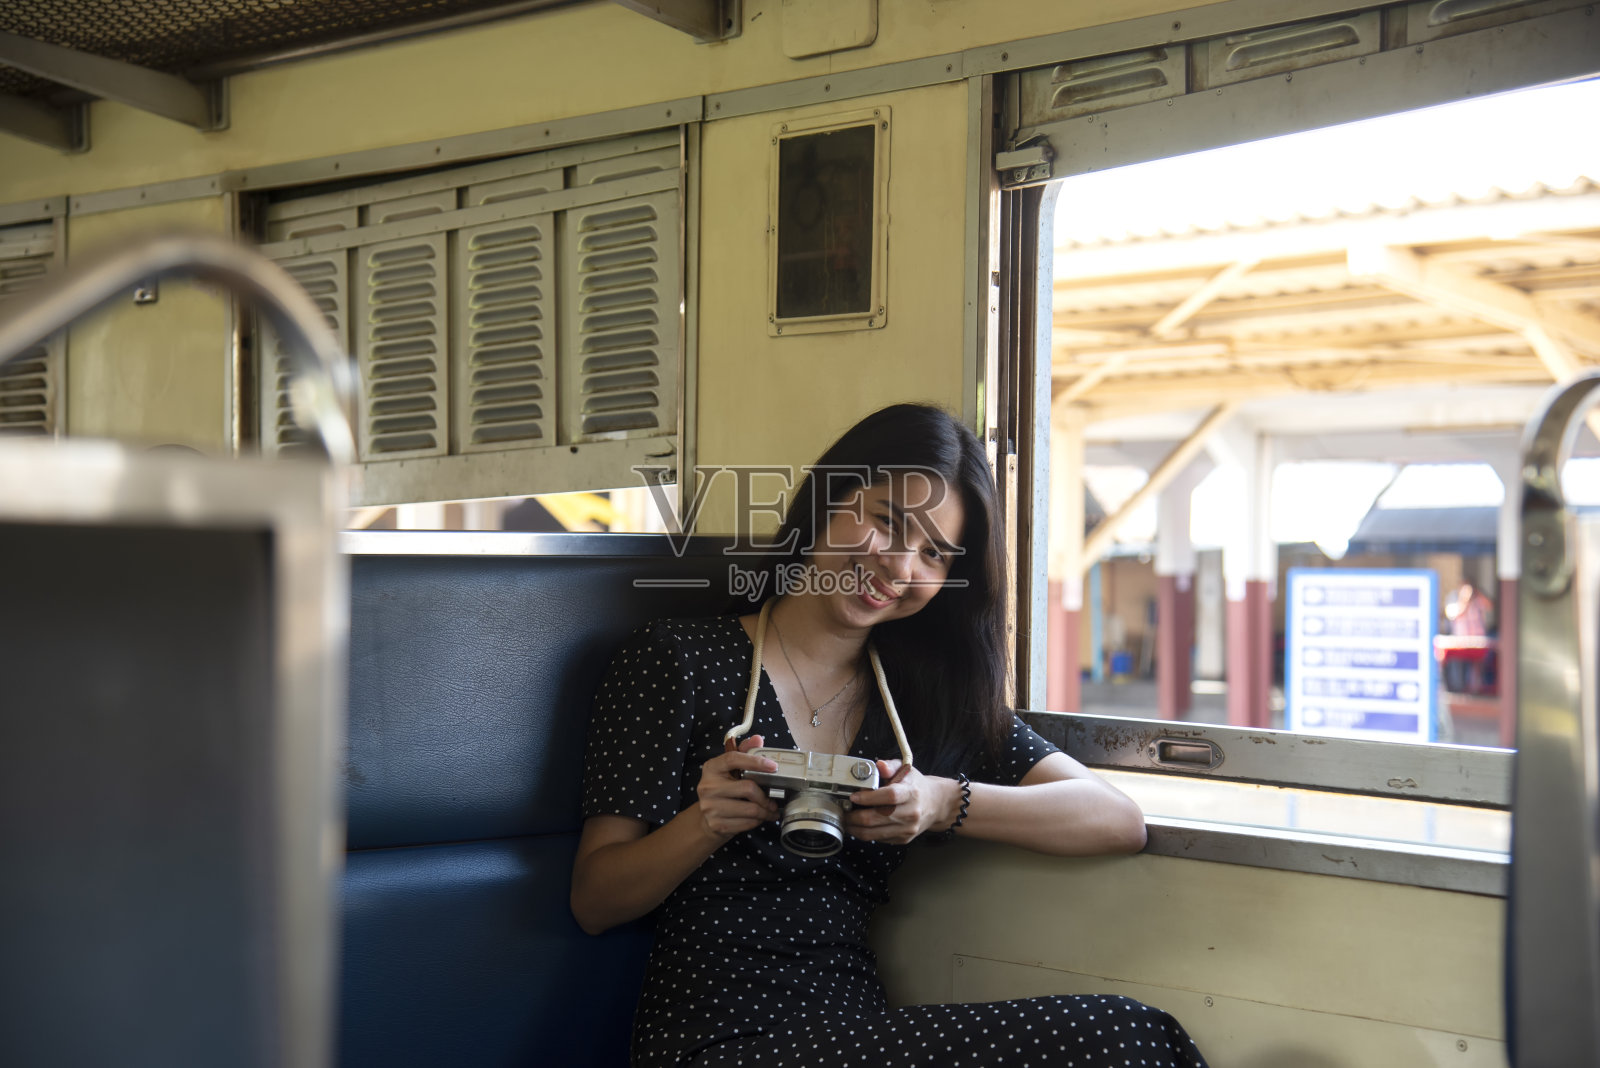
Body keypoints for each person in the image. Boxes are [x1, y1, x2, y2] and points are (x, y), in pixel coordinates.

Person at [572, 403, 1209, 1067]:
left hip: (851, 1032)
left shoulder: (919, 702)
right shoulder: (676, 659)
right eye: (886, 523)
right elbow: (596, 899)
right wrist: (704, 822)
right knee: (1120, 1039)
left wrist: (939, 803)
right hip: (710, 1040)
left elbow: (1114, 819)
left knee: (1133, 1038)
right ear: (828, 499)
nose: (900, 567)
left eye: (933, 554)